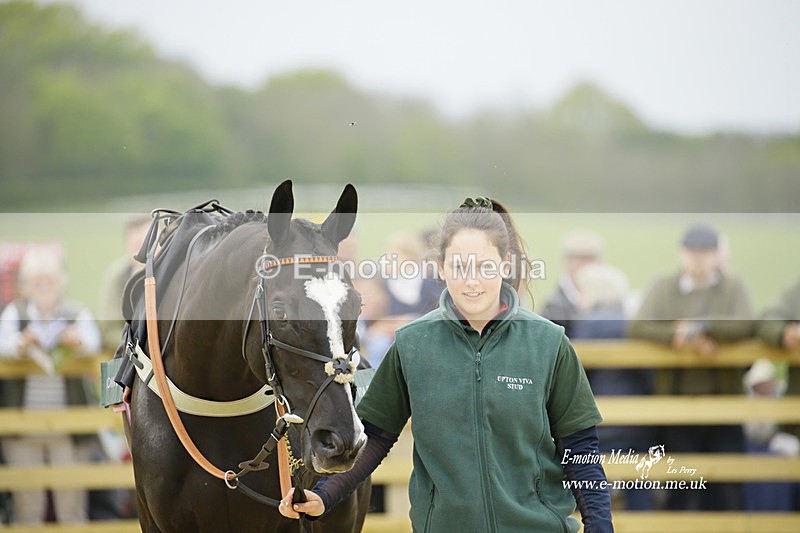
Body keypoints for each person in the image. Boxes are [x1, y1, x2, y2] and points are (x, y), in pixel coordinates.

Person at [278, 196, 613, 532]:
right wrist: (325, 495)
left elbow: (580, 447)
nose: (471, 281)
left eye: (484, 266)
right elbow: (376, 435)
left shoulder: (548, 343)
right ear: (439, 268)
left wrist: (600, 525)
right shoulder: (412, 345)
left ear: (505, 265)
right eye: (459, 267)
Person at [628, 222, 754, 511]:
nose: (698, 259)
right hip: (675, 407)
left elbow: (747, 323)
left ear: (716, 255)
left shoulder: (734, 287)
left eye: (705, 252)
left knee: (728, 490)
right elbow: (638, 326)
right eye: (692, 252)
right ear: (682, 254)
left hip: (725, 405)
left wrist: (702, 329)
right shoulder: (663, 287)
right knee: (679, 490)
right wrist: (676, 337)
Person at [0, 248, 101, 524]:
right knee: (27, 506)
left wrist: (76, 341)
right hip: (22, 428)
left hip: (69, 429)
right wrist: (20, 346)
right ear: (26, 285)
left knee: (71, 505)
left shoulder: (75, 312)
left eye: (50, 279)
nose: (44, 285)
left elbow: (93, 342)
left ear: (61, 282)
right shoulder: (14, 313)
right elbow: (2, 342)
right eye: (37, 280)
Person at [571, 263, 654, 511]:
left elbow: (577, 375)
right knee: (639, 488)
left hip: (600, 426)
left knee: (592, 491)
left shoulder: (588, 325)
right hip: (638, 425)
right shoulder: (633, 324)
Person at [740, 359, 800, 511]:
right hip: (751, 449)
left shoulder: (778, 398)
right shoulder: (747, 402)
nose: (766, 387)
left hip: (771, 448)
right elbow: (751, 432)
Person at [97, 215, 150, 351]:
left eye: (148, 245)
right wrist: (143, 345)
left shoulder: (175, 275)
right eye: (137, 246)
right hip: (132, 355)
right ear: (127, 247)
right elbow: (109, 330)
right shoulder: (117, 276)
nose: (142, 255)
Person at [540, 229, 604, 337]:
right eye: (582, 259)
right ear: (567, 262)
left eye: (592, 259)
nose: (589, 266)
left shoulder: (607, 299)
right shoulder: (553, 307)